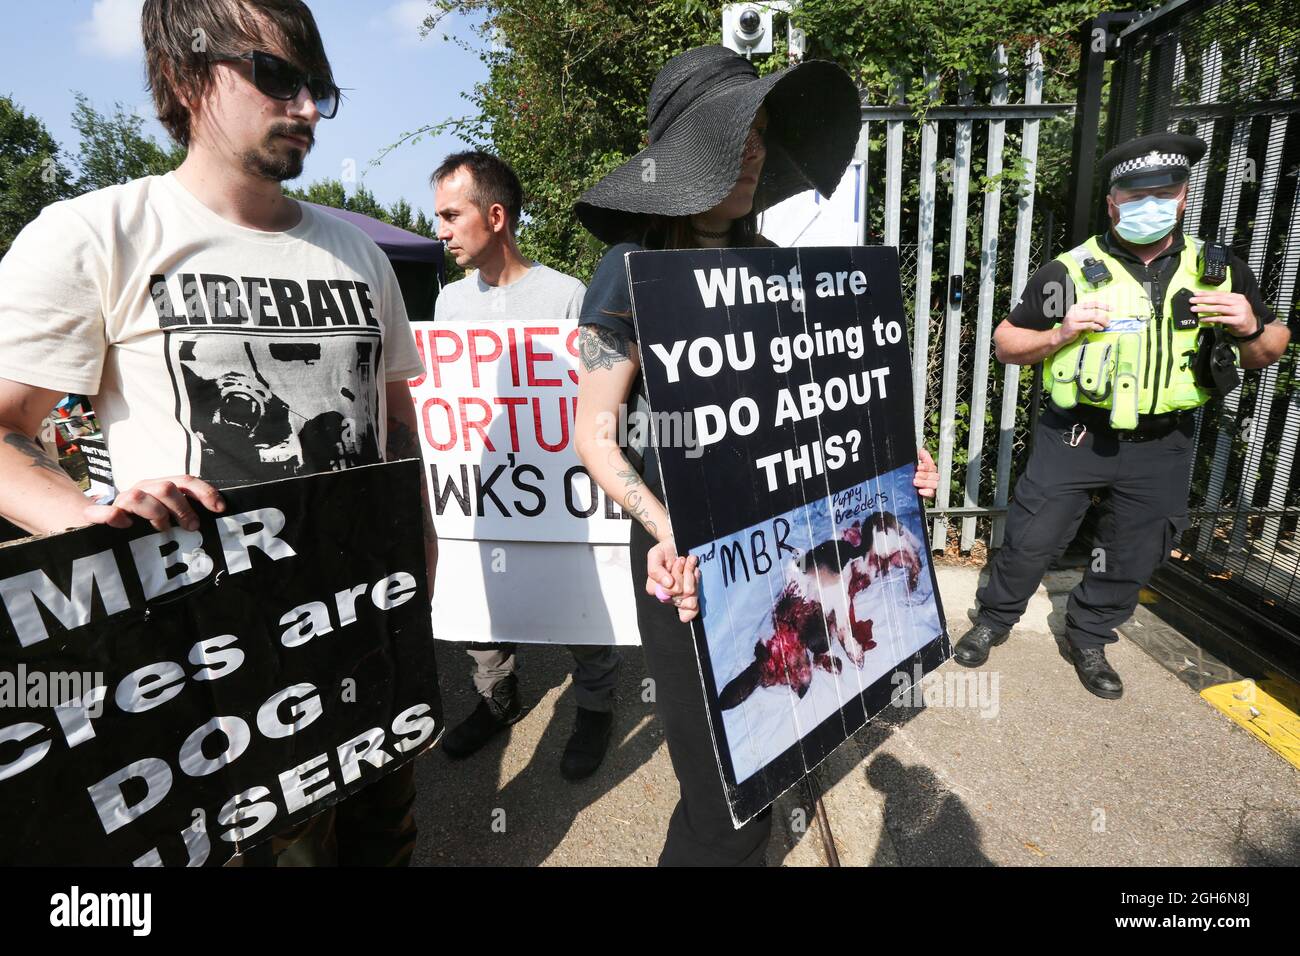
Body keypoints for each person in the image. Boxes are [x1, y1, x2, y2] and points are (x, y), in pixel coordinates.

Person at [0, 0, 436, 865]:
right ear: (183, 76)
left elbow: (392, 420)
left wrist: (419, 545)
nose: (308, 109)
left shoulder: (361, 256)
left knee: (382, 845)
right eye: (278, 78)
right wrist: (91, 527)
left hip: (367, 640)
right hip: (209, 677)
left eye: (320, 88)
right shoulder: (97, 235)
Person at [572, 45, 940, 866]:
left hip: (785, 559)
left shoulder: (777, 267)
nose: (756, 151)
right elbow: (593, 431)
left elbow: (814, 409)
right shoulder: (628, 270)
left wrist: (892, 462)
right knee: (727, 806)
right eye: (734, 133)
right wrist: (663, 528)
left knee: (759, 771)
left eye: (763, 132)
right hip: (688, 566)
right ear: (681, 155)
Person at [955, 132, 1290, 698]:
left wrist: (1250, 326)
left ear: (1184, 195)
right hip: (1078, 435)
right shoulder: (1074, 272)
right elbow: (1008, 343)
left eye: (1164, 192)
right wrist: (1061, 332)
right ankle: (993, 620)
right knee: (1032, 537)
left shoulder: (1217, 271)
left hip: (1163, 442)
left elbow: (1269, 349)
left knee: (1133, 546)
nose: (1149, 205)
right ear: (1113, 202)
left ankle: (1089, 635)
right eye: (1135, 196)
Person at [431, 150, 622, 780]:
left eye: (450, 215)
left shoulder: (569, 296)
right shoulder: (450, 305)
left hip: (559, 494)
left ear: (495, 215)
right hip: (484, 491)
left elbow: (598, 398)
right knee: (481, 608)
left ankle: (595, 706)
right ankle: (497, 701)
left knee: (581, 602)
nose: (441, 230)